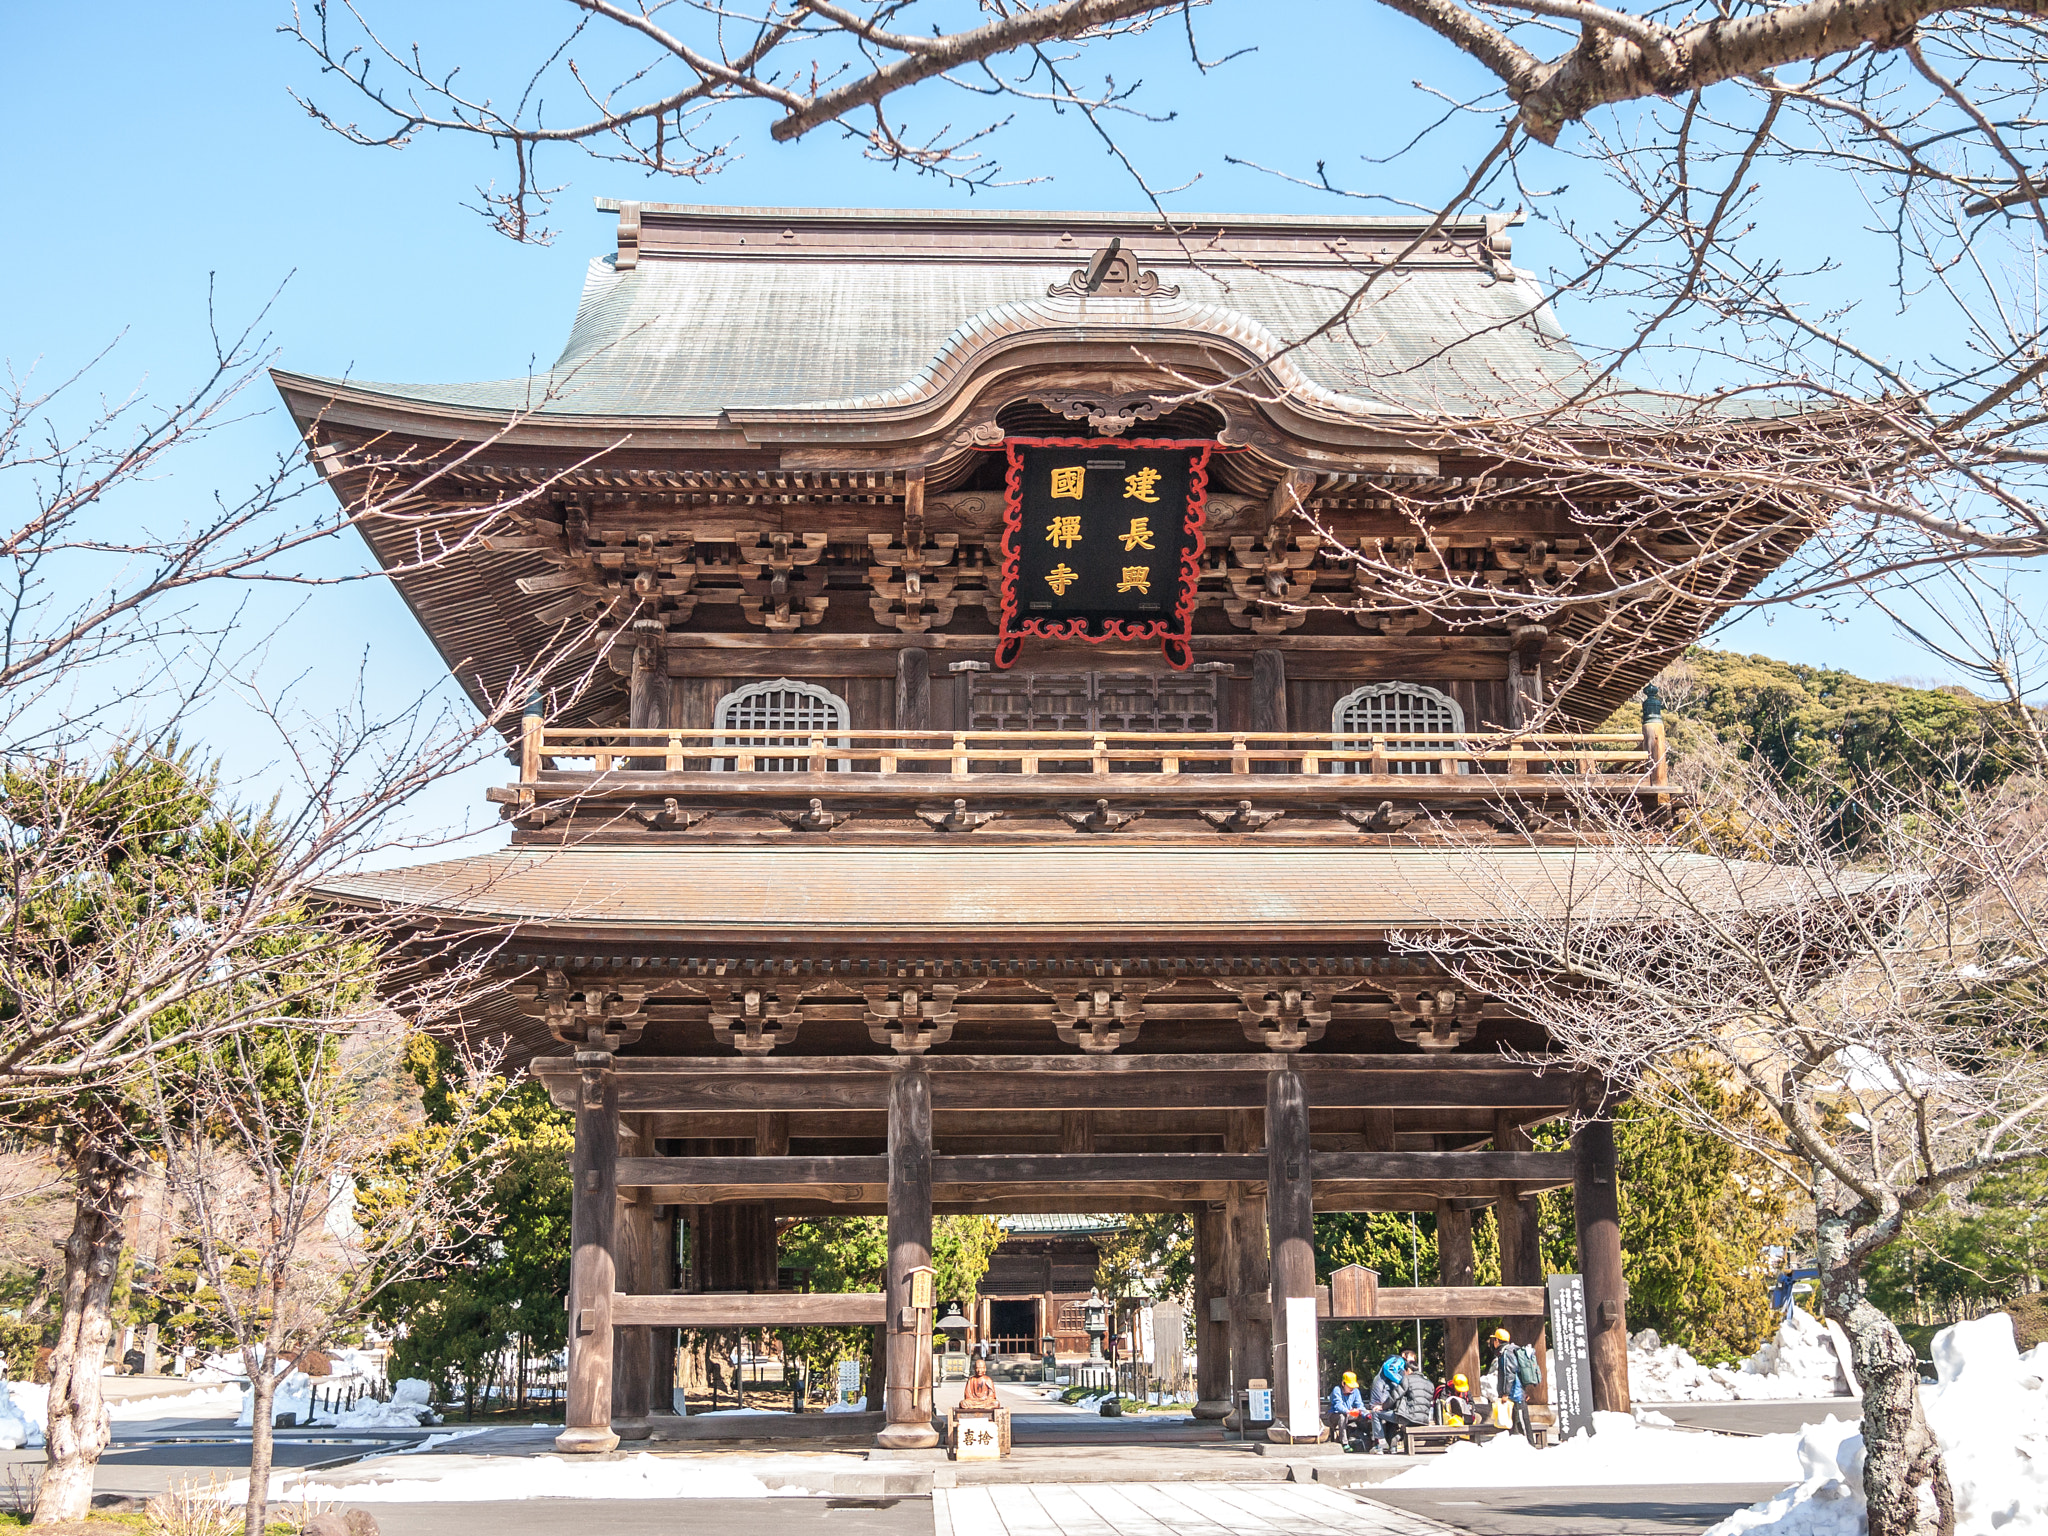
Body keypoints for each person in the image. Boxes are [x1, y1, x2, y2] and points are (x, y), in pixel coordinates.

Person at [1490, 1327, 1537, 1444]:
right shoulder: (1511, 1351)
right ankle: (1522, 1448)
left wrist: (1505, 1393)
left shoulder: (1507, 1353)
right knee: (1514, 1424)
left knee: (1522, 1422)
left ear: (1497, 1340)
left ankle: (1530, 1447)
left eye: (1493, 1340)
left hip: (1515, 1394)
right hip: (1517, 1392)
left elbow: (1509, 1374)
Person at [1365, 1355, 1406, 1452]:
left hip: (1382, 1392)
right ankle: (1388, 1445)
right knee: (1382, 1413)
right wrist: (1402, 1382)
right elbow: (1389, 1369)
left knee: (1383, 1415)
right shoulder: (1398, 1359)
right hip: (1383, 1392)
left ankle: (1384, 1444)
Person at [1327, 1370, 1367, 1450]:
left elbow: (1359, 1404)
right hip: (1335, 1415)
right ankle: (1345, 1443)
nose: (1351, 1388)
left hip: (1350, 1414)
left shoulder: (1356, 1391)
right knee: (1342, 1416)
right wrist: (1348, 1411)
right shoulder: (1337, 1390)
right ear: (1343, 1383)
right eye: (1349, 1386)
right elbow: (1338, 1405)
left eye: (1353, 1386)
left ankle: (1366, 1441)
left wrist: (1363, 1412)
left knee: (1363, 1417)